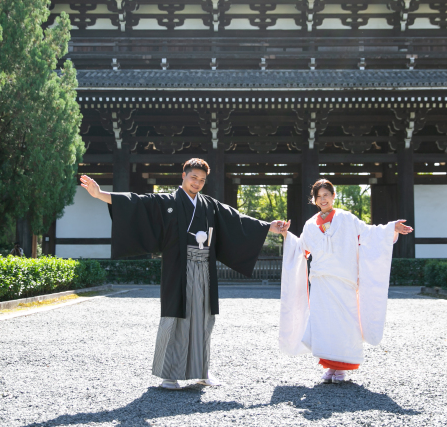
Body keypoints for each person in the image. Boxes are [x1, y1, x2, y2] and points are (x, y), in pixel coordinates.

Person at [80, 158, 286, 390]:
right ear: (183, 176)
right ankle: (169, 374)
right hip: (178, 267)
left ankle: (202, 371)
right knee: (175, 317)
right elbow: (136, 203)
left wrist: (268, 226)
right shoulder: (166, 201)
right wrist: (99, 194)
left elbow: (236, 219)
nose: (197, 183)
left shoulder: (209, 205)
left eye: (202, 180)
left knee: (204, 318)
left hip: (204, 268)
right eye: (193, 177)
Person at [277, 179, 413, 384]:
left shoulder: (347, 219)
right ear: (314, 200)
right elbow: (301, 248)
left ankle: (342, 367)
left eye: (326, 195)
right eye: (319, 196)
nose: (323, 199)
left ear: (333, 196)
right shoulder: (310, 225)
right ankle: (329, 366)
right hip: (321, 283)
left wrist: (391, 228)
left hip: (344, 281)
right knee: (324, 324)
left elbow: (369, 233)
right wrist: (286, 233)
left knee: (345, 322)